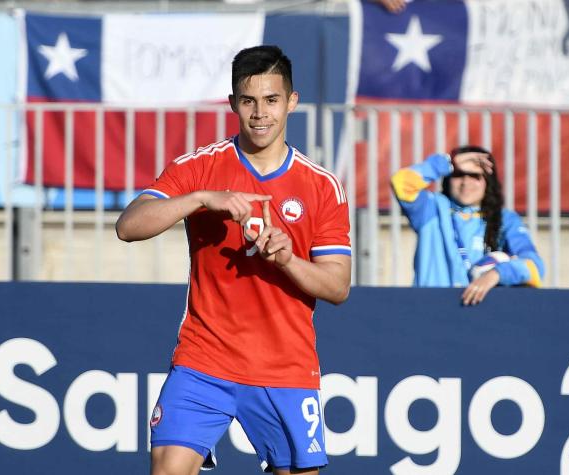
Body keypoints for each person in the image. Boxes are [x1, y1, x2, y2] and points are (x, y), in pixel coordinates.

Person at [116, 45, 352, 475]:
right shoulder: (200, 168)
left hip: (284, 368)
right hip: (204, 359)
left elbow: (337, 287)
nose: (260, 113)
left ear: (292, 101)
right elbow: (128, 226)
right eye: (248, 101)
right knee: (167, 467)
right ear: (232, 104)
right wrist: (201, 199)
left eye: (271, 100)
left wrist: (288, 261)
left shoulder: (322, 186)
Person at [390, 145, 545, 306]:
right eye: (458, 174)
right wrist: (448, 163)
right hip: (428, 309)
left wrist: (496, 274)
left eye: (474, 176)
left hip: (480, 315)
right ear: (448, 178)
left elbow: (534, 267)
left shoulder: (505, 219)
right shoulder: (432, 208)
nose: (465, 182)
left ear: (487, 182)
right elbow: (401, 182)